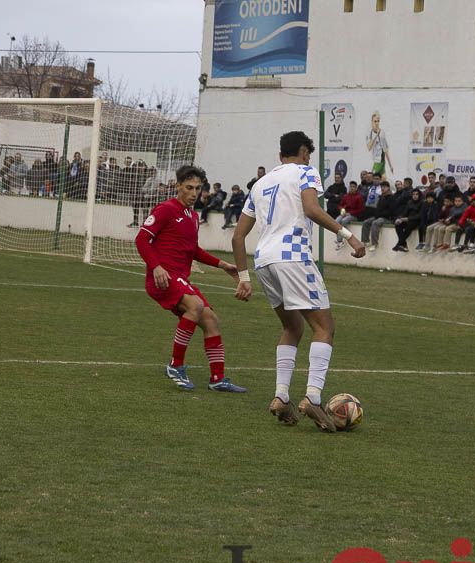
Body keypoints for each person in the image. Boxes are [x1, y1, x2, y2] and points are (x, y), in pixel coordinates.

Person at [232, 131, 366, 431]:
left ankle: (281, 396)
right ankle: (313, 398)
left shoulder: (259, 184)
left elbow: (238, 236)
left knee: (292, 327)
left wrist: (243, 278)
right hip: (292, 255)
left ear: (281, 155)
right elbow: (312, 209)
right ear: (304, 153)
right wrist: (349, 236)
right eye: (308, 154)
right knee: (324, 327)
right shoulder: (306, 171)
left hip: (264, 260)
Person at [134, 164, 245, 393]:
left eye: (198, 188)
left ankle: (217, 378)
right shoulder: (166, 209)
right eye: (189, 187)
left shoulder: (192, 216)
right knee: (194, 306)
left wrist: (222, 264)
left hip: (179, 279)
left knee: (210, 318)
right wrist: (156, 268)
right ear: (178, 187)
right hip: (163, 278)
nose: (194, 193)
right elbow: (142, 240)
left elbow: (193, 250)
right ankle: (175, 366)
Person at [360, 180, 394, 250]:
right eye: (381, 187)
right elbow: (377, 208)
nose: (382, 188)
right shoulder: (380, 197)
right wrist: (377, 214)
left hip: (387, 218)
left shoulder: (391, 198)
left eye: (384, 187)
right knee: (366, 222)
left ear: (388, 188)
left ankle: (374, 244)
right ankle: (365, 241)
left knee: (375, 223)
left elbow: (391, 211)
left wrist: (379, 214)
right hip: (379, 216)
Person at [391, 187, 423, 252]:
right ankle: (403, 244)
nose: (415, 196)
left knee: (409, 225)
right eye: (413, 194)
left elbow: (420, 216)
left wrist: (408, 219)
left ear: (419, 195)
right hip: (408, 219)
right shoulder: (409, 202)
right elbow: (405, 212)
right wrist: (400, 218)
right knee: (398, 224)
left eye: (417, 194)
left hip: (417, 221)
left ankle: (399, 244)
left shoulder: (422, 203)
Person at [365, 111, 394, 176]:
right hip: (376, 161)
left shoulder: (382, 133)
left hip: (380, 162)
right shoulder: (369, 132)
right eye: (375, 121)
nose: (377, 123)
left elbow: (385, 150)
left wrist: (390, 166)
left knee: (372, 178)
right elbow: (369, 148)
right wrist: (376, 135)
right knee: (381, 181)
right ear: (371, 121)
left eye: (378, 121)